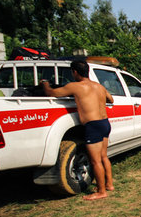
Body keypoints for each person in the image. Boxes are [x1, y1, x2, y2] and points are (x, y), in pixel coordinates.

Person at [41, 60, 114, 201]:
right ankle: (109, 184)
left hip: (92, 125)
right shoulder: (99, 86)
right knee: (104, 156)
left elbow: (51, 93)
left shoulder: (75, 86)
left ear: (74, 72)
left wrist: (44, 82)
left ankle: (101, 191)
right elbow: (110, 99)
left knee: (95, 161)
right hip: (104, 123)